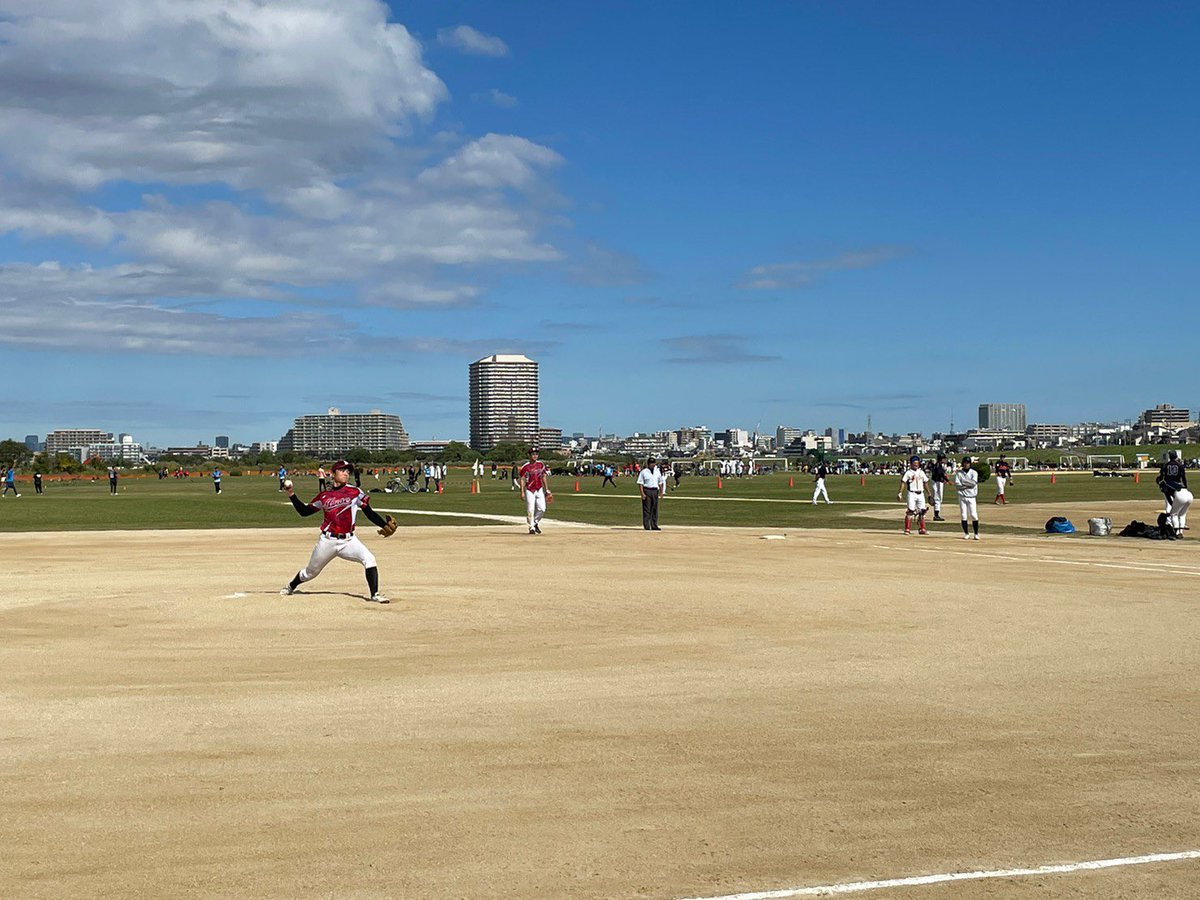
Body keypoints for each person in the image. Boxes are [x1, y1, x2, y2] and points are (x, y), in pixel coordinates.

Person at [280, 460, 396, 603]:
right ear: (333, 473)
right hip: (327, 541)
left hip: (349, 541)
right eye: (342, 470)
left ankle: (375, 594)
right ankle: (291, 586)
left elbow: (369, 512)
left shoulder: (355, 492)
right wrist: (291, 494)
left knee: (369, 559)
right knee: (310, 573)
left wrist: (383, 524)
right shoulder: (324, 496)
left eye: (348, 471)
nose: (346, 473)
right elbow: (304, 512)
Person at [519, 447, 552, 535]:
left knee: (542, 509)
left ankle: (535, 522)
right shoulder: (525, 467)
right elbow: (522, 479)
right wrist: (522, 492)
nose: (535, 456)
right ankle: (531, 528)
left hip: (539, 488)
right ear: (529, 455)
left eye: (536, 454)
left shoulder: (540, 464)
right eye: (533, 454)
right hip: (529, 489)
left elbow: (543, 476)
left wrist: (547, 489)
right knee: (531, 509)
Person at [1157, 450, 1189, 530]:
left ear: (1169, 457)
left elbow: (1161, 476)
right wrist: (1185, 487)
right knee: (1179, 505)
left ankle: (1169, 523)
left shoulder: (1166, 465)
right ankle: (1180, 523)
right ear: (1176, 456)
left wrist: (1159, 481)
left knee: (1169, 504)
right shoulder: (1180, 465)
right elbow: (1183, 477)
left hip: (1168, 486)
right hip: (1178, 487)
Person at [899, 455, 930, 535]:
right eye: (914, 463)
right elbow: (903, 482)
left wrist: (929, 494)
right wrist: (900, 493)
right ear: (911, 464)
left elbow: (925, 483)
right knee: (910, 511)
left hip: (921, 493)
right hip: (911, 493)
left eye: (917, 463)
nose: (916, 465)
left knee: (922, 511)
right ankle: (907, 529)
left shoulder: (921, 472)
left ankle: (922, 528)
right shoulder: (908, 473)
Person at [953, 455, 981, 540]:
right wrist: (967, 484)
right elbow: (957, 485)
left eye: (968, 463)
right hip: (962, 497)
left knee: (974, 515)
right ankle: (966, 533)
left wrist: (963, 483)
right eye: (965, 463)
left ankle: (976, 533)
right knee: (963, 515)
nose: (966, 464)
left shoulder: (974, 473)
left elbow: (973, 483)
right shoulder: (959, 473)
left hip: (971, 497)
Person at [637, 455, 662, 530]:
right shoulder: (644, 472)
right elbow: (640, 483)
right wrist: (642, 493)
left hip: (655, 490)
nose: (652, 465)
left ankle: (654, 525)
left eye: (653, 463)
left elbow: (660, 482)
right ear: (648, 464)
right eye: (651, 463)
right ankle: (646, 525)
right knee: (647, 509)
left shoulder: (657, 471)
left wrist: (661, 492)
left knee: (654, 509)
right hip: (647, 490)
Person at [930, 453, 950, 521]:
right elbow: (940, 473)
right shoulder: (938, 465)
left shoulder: (939, 465)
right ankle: (936, 516)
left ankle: (936, 515)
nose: (945, 459)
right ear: (941, 459)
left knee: (938, 498)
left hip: (937, 482)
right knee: (938, 498)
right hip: (937, 483)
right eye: (944, 458)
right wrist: (947, 480)